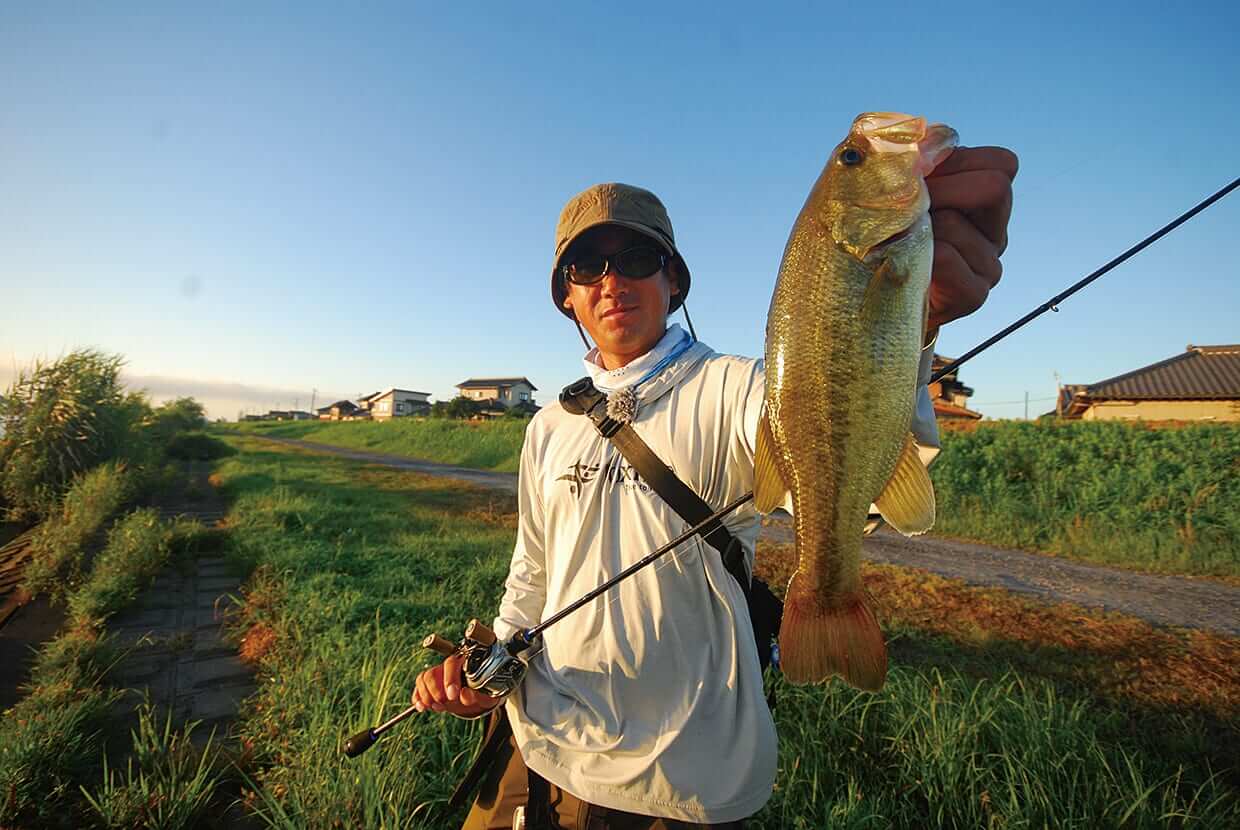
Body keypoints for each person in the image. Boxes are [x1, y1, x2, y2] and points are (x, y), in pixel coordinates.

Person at [413, 145, 1019, 829]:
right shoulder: (550, 425)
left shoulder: (739, 388)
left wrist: (912, 320)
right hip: (539, 748)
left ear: (674, 282)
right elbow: (533, 571)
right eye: (589, 266)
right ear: (569, 296)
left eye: (637, 260)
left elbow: (841, 426)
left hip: (689, 780)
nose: (613, 281)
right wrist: (492, 667)